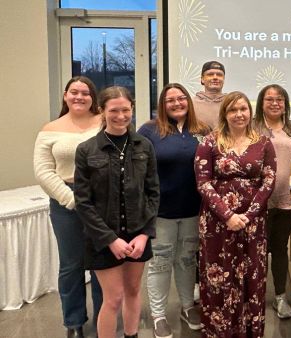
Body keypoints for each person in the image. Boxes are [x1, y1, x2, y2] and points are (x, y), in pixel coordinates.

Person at [74, 86, 160, 338]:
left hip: (137, 236)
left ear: (132, 109)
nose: (121, 116)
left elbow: (153, 193)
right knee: (113, 299)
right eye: (114, 110)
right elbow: (83, 202)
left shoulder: (144, 146)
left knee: (133, 292)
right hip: (103, 239)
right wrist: (110, 239)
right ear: (102, 111)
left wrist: (144, 234)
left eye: (126, 110)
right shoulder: (87, 150)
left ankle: (131, 335)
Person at [194, 91, 276, 338]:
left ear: (250, 112)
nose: (239, 114)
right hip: (218, 224)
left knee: (252, 277)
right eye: (233, 110)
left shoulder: (263, 143)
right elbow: (203, 183)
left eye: (243, 109)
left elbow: (269, 181)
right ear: (224, 114)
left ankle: (250, 332)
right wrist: (228, 215)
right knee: (219, 278)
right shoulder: (209, 142)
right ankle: (220, 332)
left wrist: (249, 215)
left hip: (253, 223)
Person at [138, 83, 211, 338]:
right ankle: (158, 315)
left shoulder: (202, 130)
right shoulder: (149, 131)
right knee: (160, 264)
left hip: (193, 210)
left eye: (181, 98)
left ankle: (187, 306)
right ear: (163, 104)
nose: (177, 103)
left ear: (188, 102)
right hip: (161, 213)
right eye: (171, 100)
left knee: (187, 260)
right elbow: (139, 171)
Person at [33, 76, 103, 338]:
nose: (80, 97)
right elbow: (43, 171)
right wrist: (74, 200)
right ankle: (73, 322)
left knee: (102, 264)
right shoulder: (50, 129)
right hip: (66, 202)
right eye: (74, 92)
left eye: (86, 93)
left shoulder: (104, 123)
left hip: (102, 200)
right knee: (71, 265)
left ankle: (102, 320)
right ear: (65, 96)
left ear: (92, 97)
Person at [254, 84, 291, 319]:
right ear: (261, 103)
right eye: (269, 99)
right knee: (258, 250)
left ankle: (281, 297)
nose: (275, 103)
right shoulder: (252, 127)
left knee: (280, 248)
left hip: (287, 199)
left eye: (280, 99)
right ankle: (255, 295)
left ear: (286, 103)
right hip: (258, 200)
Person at [192, 60, 226, 129]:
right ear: (202, 79)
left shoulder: (231, 103)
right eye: (210, 74)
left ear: (224, 79)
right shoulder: (191, 104)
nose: (215, 77)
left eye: (219, 75)